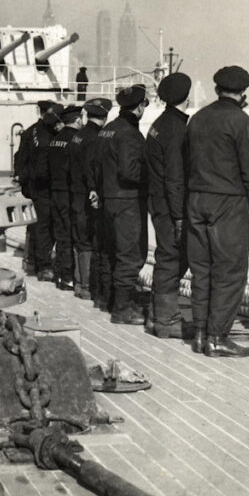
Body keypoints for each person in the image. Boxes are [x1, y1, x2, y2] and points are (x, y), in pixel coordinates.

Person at [184, 65, 249, 358]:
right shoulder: (242, 122)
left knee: (201, 269)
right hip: (227, 202)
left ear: (217, 90)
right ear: (243, 93)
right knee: (229, 271)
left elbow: (186, 161)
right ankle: (217, 337)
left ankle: (201, 333)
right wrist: (247, 203)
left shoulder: (198, 118)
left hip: (196, 200)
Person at [98, 84, 150, 325]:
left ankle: (108, 299)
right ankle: (122, 308)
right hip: (127, 200)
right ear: (139, 107)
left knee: (112, 251)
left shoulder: (108, 129)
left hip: (109, 199)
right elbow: (130, 172)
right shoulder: (129, 133)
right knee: (131, 253)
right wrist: (151, 178)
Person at [145, 72, 192, 338]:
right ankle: (166, 320)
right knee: (172, 259)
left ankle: (157, 316)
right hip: (170, 206)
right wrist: (179, 217)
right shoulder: (176, 129)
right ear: (187, 96)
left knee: (167, 258)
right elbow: (175, 176)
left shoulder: (160, 124)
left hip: (158, 201)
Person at [14, 101, 63, 281]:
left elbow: (19, 157)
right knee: (45, 226)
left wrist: (23, 181)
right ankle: (44, 266)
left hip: (33, 187)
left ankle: (31, 261)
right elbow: (43, 168)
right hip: (44, 188)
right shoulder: (47, 137)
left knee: (35, 225)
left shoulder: (30, 131)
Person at [70, 97, 111, 300]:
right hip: (87, 194)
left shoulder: (78, 135)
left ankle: (79, 283)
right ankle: (86, 286)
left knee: (79, 238)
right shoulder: (95, 138)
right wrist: (94, 190)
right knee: (88, 239)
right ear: (105, 115)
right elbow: (90, 167)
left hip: (75, 193)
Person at [48, 105, 83, 290]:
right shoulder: (75, 140)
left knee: (61, 234)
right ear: (78, 120)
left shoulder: (55, 140)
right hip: (69, 194)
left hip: (55, 192)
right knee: (71, 235)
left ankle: (62, 276)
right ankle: (70, 277)